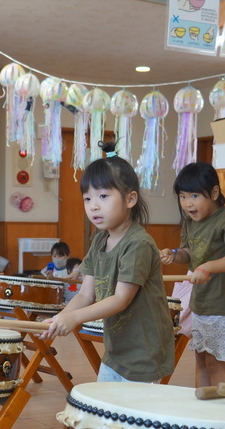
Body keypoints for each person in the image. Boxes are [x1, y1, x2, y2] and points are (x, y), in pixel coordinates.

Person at [42, 141, 175, 383]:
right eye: (87, 198)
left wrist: (75, 319)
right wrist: (61, 317)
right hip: (117, 350)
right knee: (107, 415)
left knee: (130, 419)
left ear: (130, 199)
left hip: (144, 352)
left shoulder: (139, 244)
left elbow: (121, 299)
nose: (93, 206)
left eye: (103, 196)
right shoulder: (100, 239)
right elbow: (85, 295)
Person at [160, 162, 225, 387]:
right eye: (182, 196)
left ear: (215, 193)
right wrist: (174, 255)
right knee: (201, 360)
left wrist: (207, 267)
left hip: (224, 305)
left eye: (195, 195)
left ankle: (222, 417)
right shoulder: (190, 223)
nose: (188, 203)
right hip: (201, 303)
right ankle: (202, 411)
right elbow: (188, 252)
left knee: (216, 363)